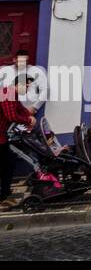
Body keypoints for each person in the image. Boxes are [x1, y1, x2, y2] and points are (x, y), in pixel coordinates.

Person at [0, 74, 37, 209]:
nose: (28, 88)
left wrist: (29, 117)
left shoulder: (12, 95)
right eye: (27, 85)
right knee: (7, 164)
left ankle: (4, 195)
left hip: (2, 136)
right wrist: (28, 120)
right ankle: (3, 196)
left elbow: (20, 109)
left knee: (9, 163)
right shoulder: (7, 93)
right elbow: (12, 116)